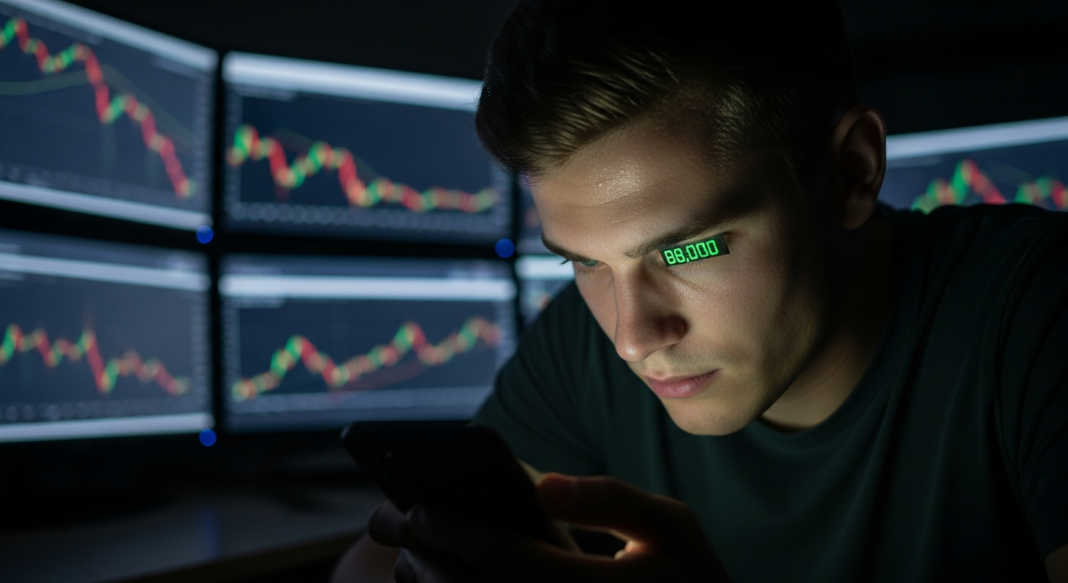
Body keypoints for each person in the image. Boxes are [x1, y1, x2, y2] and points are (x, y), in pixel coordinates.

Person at [334, 0, 1068, 581]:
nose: (632, 336)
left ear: (850, 172)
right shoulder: (585, 344)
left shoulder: (1039, 310)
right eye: (583, 262)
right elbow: (367, 563)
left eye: (691, 247)